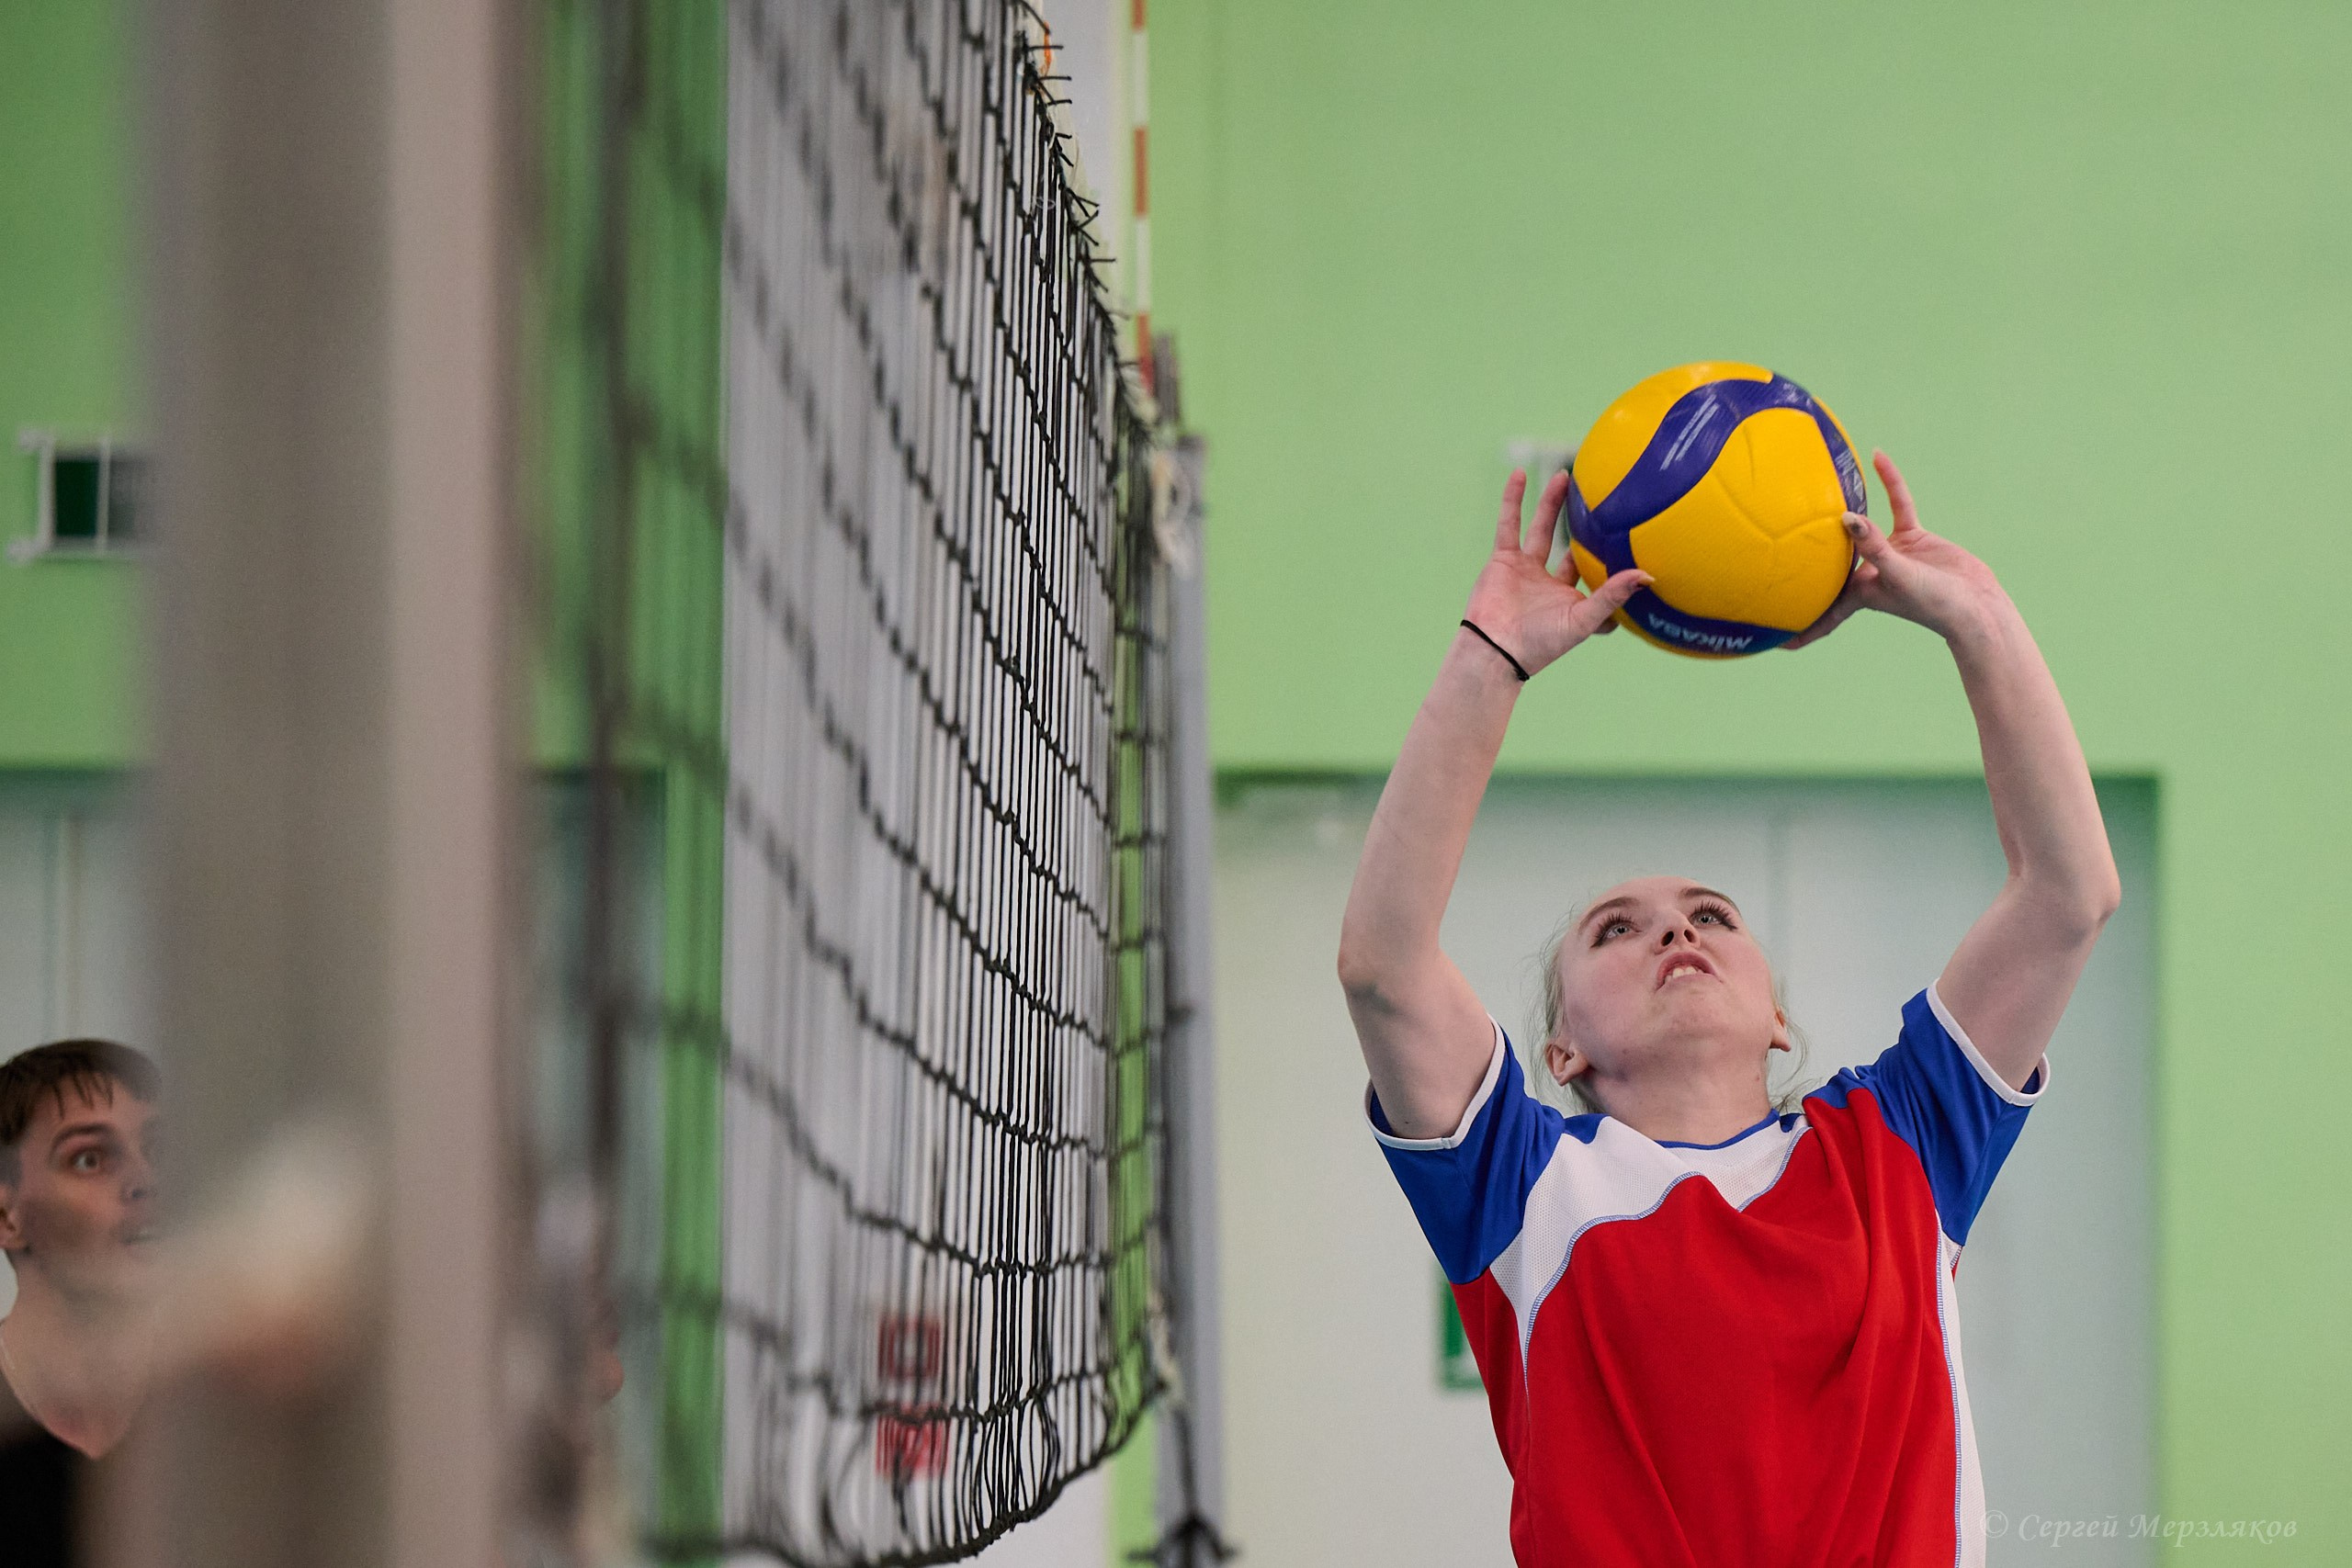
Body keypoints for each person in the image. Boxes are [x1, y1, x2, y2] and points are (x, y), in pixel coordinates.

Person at [1337, 452, 2119, 1567]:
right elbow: (1384, 966)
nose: (1677, 931)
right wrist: (1490, 663)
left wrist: (1976, 621)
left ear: (1778, 1024)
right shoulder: (1525, 1186)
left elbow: (2067, 896)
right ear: (1559, 1050)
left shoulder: (1897, 1146)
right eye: (1617, 928)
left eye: (1710, 913)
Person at [0, 1038, 164, 1568]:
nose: (146, 1181)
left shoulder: (213, 1411)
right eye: (90, 1158)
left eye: (158, 1151)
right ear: (7, 1218)